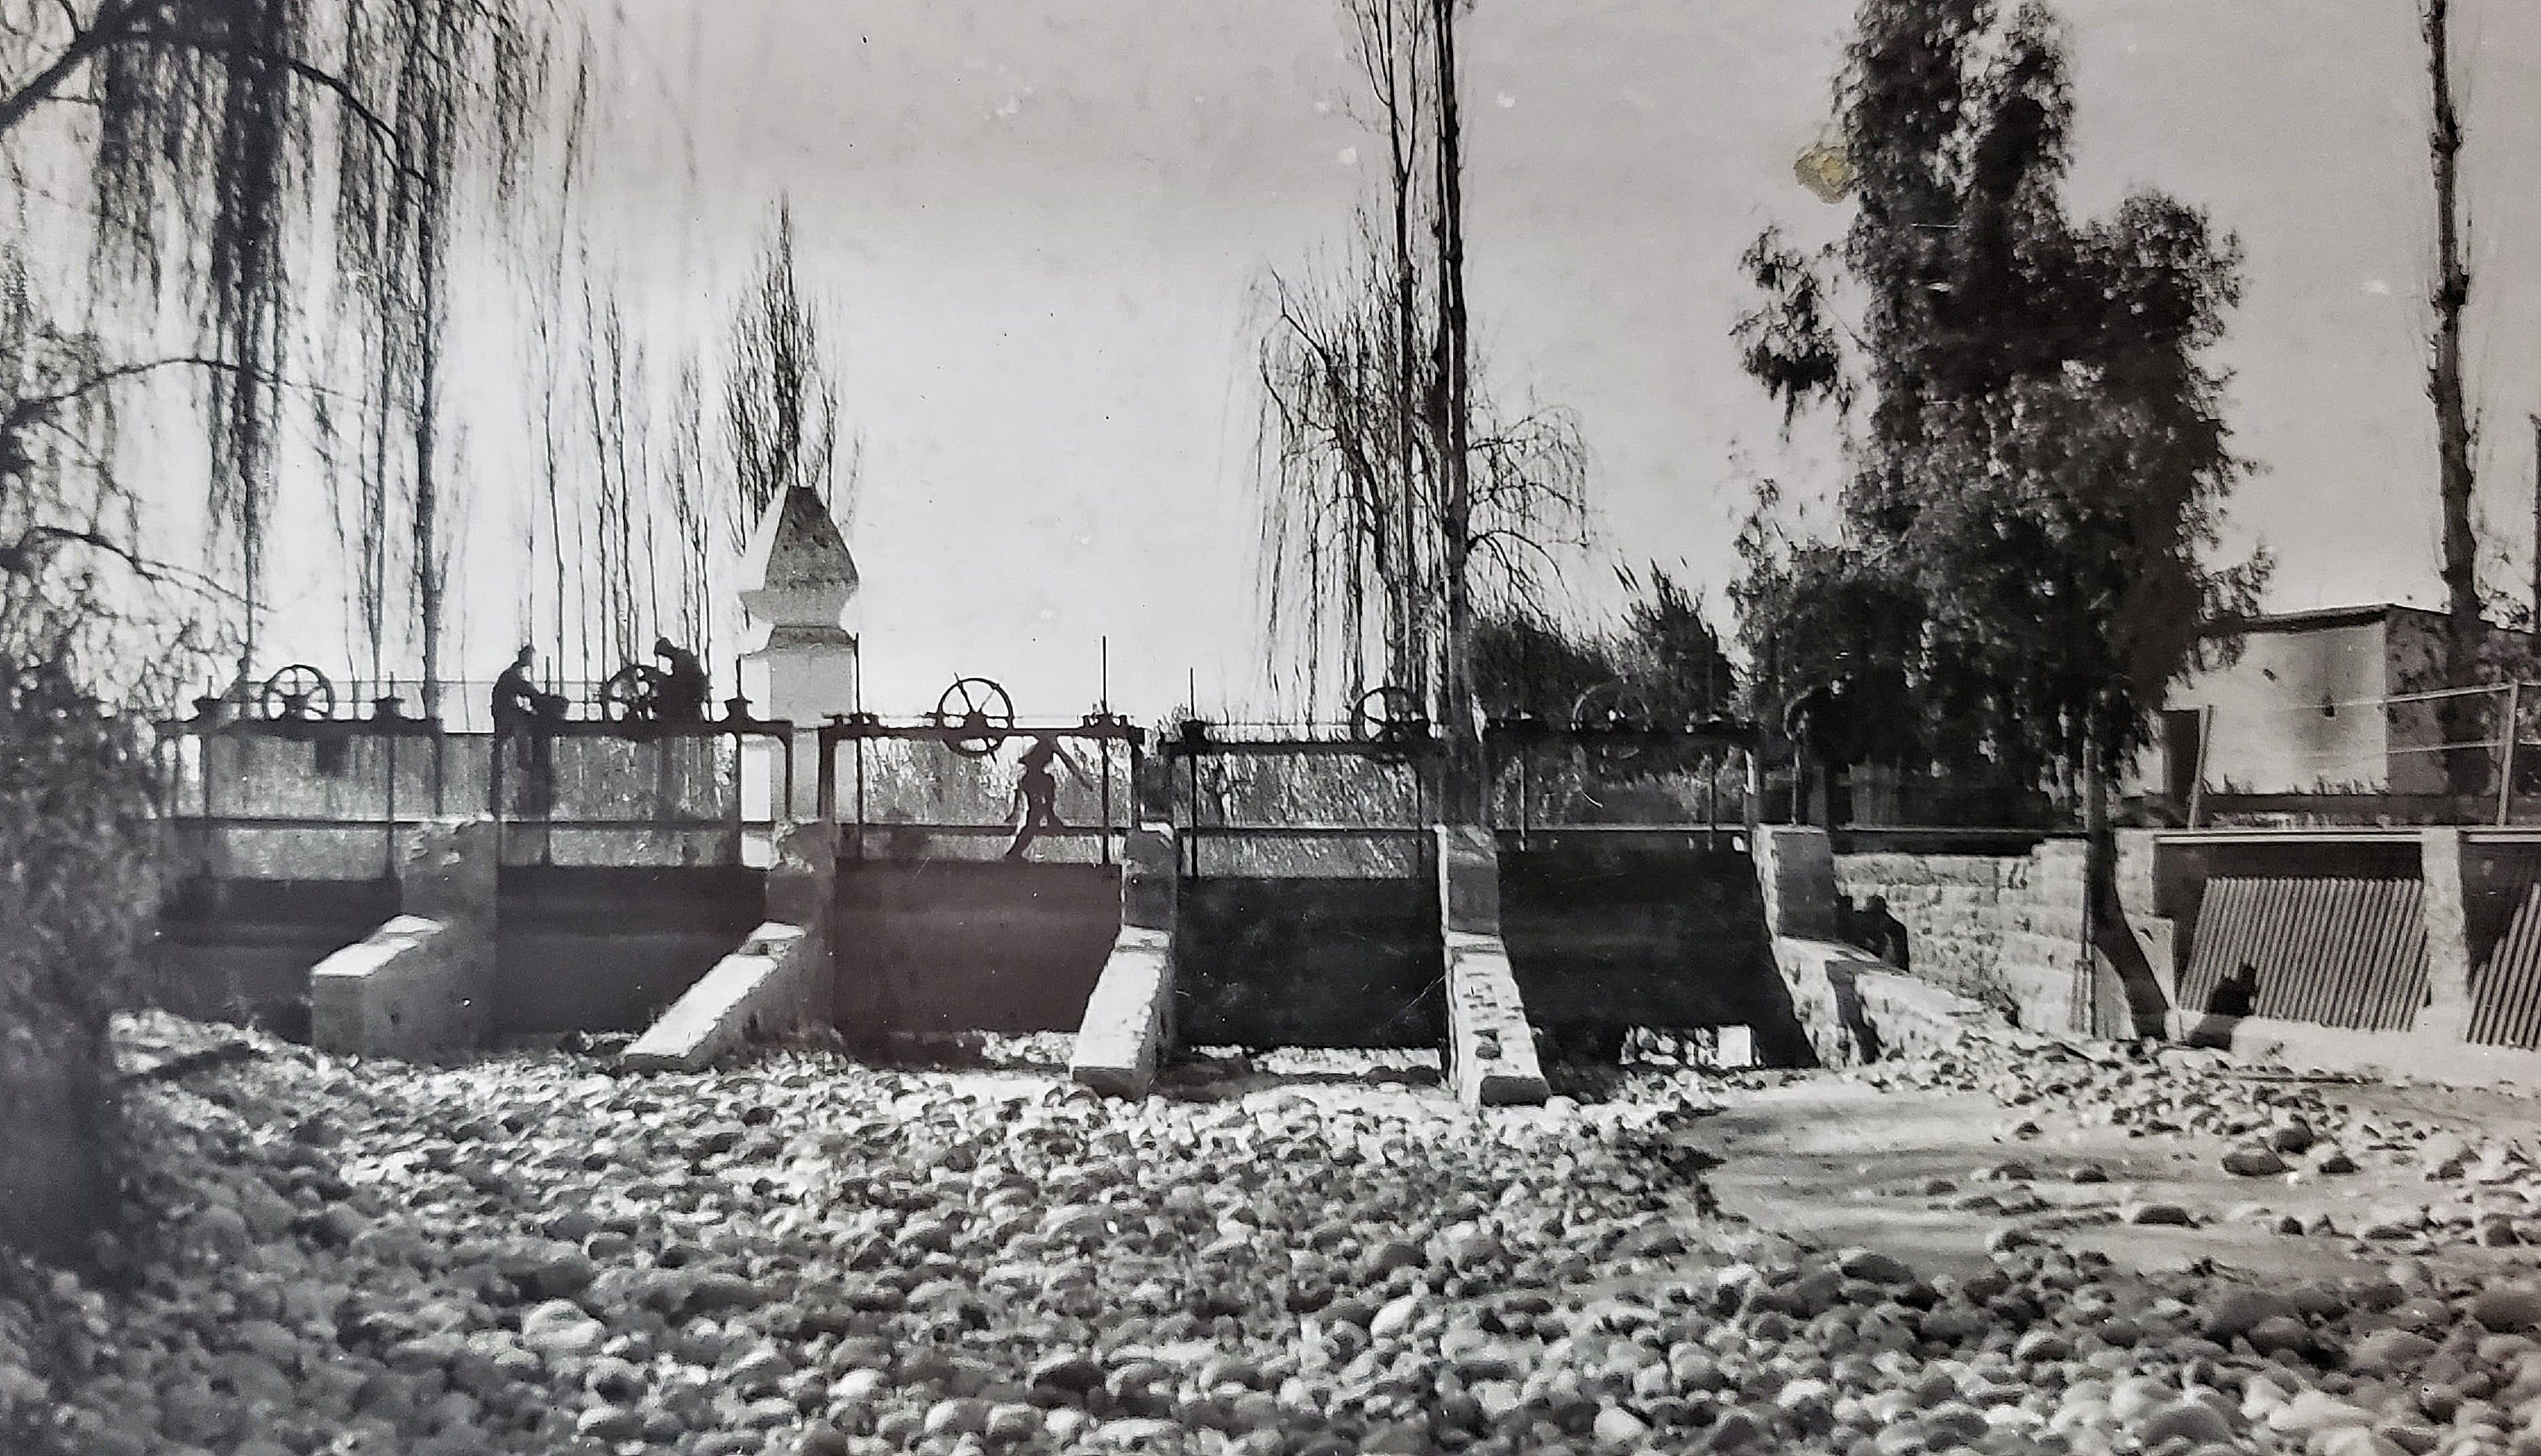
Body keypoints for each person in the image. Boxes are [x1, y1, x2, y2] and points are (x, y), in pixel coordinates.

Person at [1003, 735, 1095, 862]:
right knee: (1035, 816)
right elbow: (1067, 761)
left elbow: (1067, 761)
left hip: (1031, 778)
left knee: (1036, 814)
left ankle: (1050, 817)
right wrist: (1082, 780)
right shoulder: (1049, 742)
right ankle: (1015, 852)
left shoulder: (1044, 743)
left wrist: (1082, 780)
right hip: (1033, 778)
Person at [652, 637, 710, 723]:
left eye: (662, 653)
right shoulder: (680, 656)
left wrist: (662, 679)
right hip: (692, 691)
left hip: (691, 692)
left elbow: (680, 681)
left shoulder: (681, 657)